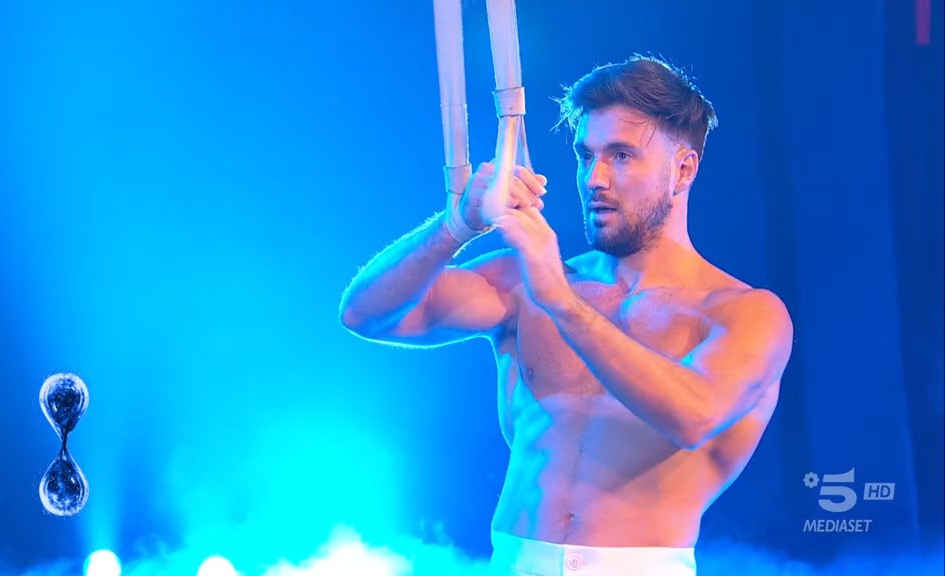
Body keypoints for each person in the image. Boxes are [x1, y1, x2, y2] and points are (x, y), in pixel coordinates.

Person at [338, 54, 794, 576]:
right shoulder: (526, 281)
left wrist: (560, 300)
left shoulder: (745, 313)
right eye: (585, 156)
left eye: (621, 156)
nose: (595, 178)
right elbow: (365, 314)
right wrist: (456, 226)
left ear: (683, 169)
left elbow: (692, 417)